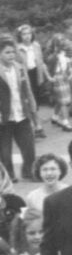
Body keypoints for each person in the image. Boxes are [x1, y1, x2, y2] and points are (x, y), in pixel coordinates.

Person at [0, 43, 37, 184]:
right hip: (4, 116)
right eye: (7, 52)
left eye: (13, 52)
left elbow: (27, 88)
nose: (11, 55)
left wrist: (32, 107)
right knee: (4, 150)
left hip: (21, 113)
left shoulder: (19, 68)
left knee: (28, 146)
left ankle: (29, 171)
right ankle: (8, 175)